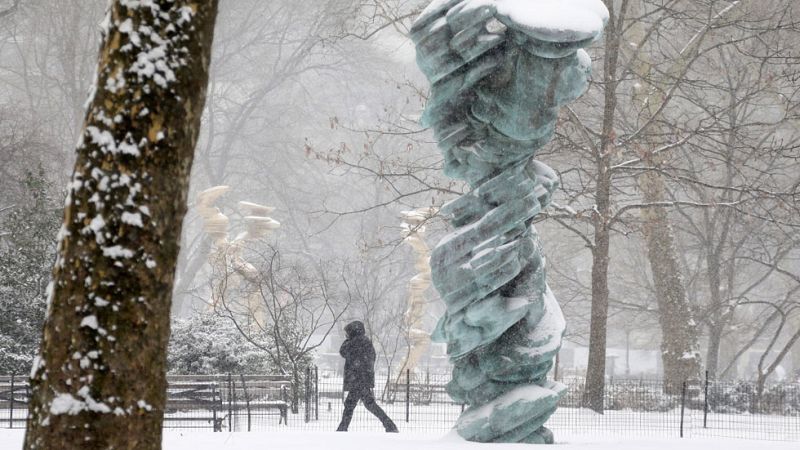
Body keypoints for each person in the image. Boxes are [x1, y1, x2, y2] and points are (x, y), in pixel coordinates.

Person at [336, 320, 398, 432]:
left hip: (358, 380)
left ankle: (342, 428)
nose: (347, 335)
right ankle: (389, 425)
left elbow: (343, 351)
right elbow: (370, 358)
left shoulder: (355, 342)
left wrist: (349, 341)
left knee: (353, 405)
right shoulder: (365, 341)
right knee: (367, 404)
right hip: (362, 380)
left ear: (353, 332)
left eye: (348, 333)